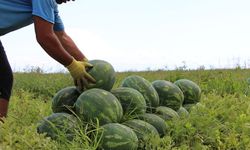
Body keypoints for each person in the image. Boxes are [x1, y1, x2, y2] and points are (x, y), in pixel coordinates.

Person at [0, 0, 95, 121]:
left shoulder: (51, 5)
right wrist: (72, 65)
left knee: (3, 78)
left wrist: (85, 62)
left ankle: (2, 130)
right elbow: (45, 36)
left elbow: (62, 36)